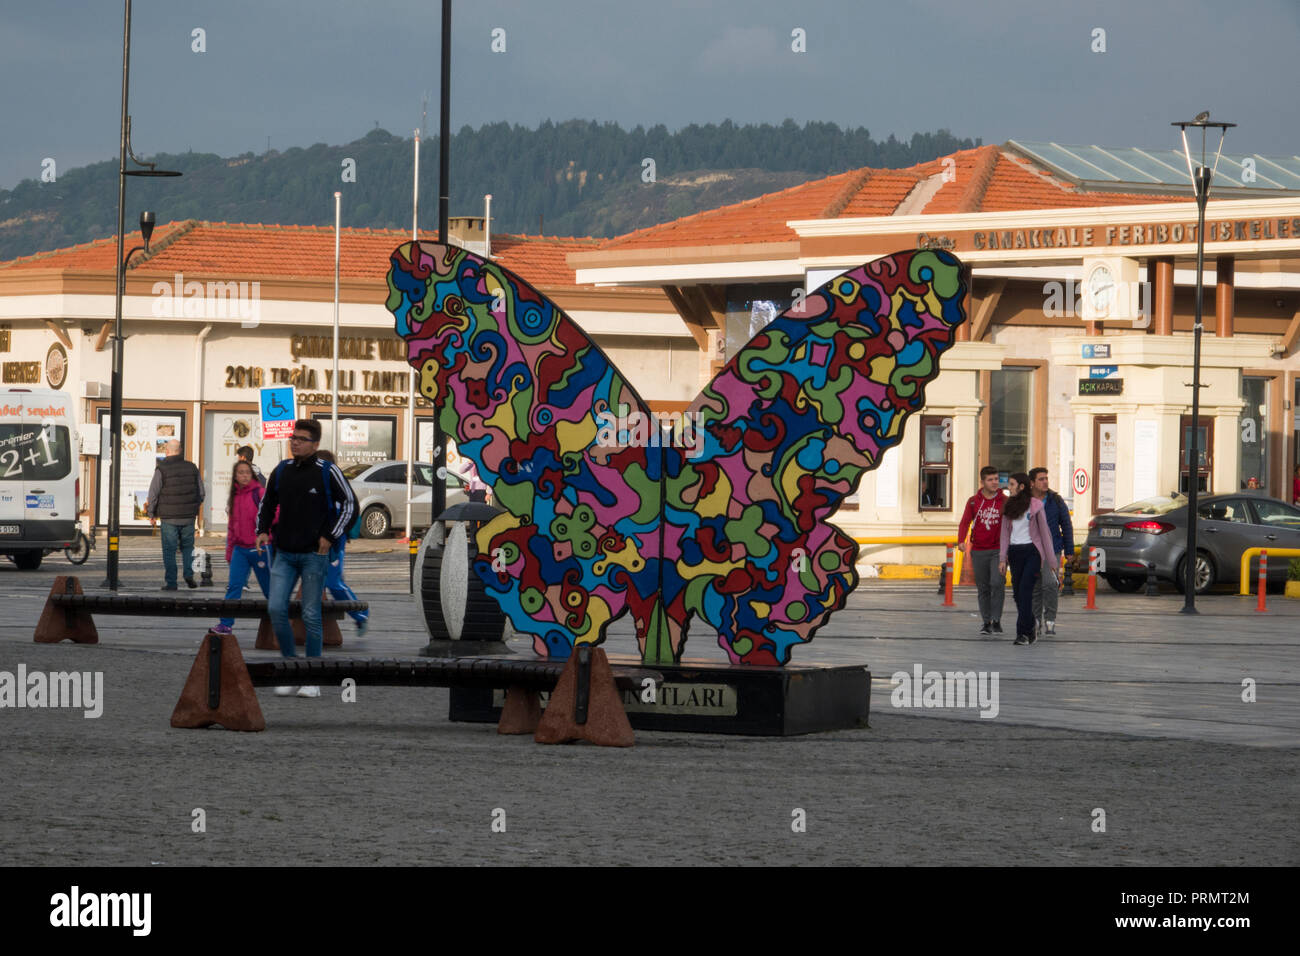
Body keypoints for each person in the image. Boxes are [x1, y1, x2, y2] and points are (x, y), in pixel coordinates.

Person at [256, 420, 357, 699]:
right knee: (276, 609)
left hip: (315, 554)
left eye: (301, 439)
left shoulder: (328, 471)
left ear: (314, 444)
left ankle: (311, 678)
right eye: (293, 437)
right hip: (284, 553)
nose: (295, 442)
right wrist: (262, 530)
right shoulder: (282, 470)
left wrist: (331, 536)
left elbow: (350, 503)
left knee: (311, 614)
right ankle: (291, 669)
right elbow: (267, 503)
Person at [210, 460, 272, 635]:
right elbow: (232, 527)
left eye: (247, 472)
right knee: (234, 587)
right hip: (240, 550)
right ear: (235, 476)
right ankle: (225, 624)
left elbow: (276, 515)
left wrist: (266, 534)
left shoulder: (260, 493)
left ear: (252, 475)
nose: (244, 475)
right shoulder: (235, 496)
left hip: (259, 549)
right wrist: (229, 551)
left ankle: (282, 620)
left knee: (269, 589)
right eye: (240, 472)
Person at [316, 450, 369, 638]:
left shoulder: (338, 489)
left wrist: (334, 539)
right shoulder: (316, 486)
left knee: (333, 583)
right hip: (315, 545)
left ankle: (361, 614)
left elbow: (347, 514)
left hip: (334, 544)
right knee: (318, 583)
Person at [998, 473, 1055, 646]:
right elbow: (1004, 534)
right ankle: (1032, 624)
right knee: (1017, 594)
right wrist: (1002, 558)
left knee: (1025, 591)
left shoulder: (1035, 506)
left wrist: (1052, 561)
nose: (1009, 487)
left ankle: (1022, 633)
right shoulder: (1009, 506)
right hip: (1015, 553)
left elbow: (1045, 534)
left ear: (1022, 487)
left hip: (1032, 552)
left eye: (1012, 484)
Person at [145, 438, 204, 591]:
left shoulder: (161, 468)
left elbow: (153, 493)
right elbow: (201, 492)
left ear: (167, 451)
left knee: (169, 550)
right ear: (180, 451)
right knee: (187, 548)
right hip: (188, 517)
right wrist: (193, 507)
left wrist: (151, 512)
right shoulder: (192, 467)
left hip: (169, 518)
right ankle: (188, 574)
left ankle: (171, 582)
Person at [958, 466, 1007, 635]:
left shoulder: (1004, 501)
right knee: (983, 587)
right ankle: (986, 622)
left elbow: (1012, 524)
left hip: (998, 550)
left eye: (996, 479)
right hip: (978, 550)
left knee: (997, 583)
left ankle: (997, 620)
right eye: (990, 479)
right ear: (982, 482)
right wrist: (961, 540)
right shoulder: (973, 501)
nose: (995, 483)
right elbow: (965, 522)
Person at [1029, 467, 1074, 636]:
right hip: (1032, 550)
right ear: (1032, 483)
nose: (1045, 482)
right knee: (1035, 587)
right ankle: (1035, 620)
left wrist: (1069, 550)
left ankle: (1050, 620)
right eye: (1041, 479)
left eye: (1046, 478)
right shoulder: (1026, 501)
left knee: (1050, 584)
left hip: (1052, 549)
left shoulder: (1056, 500)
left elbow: (1066, 525)